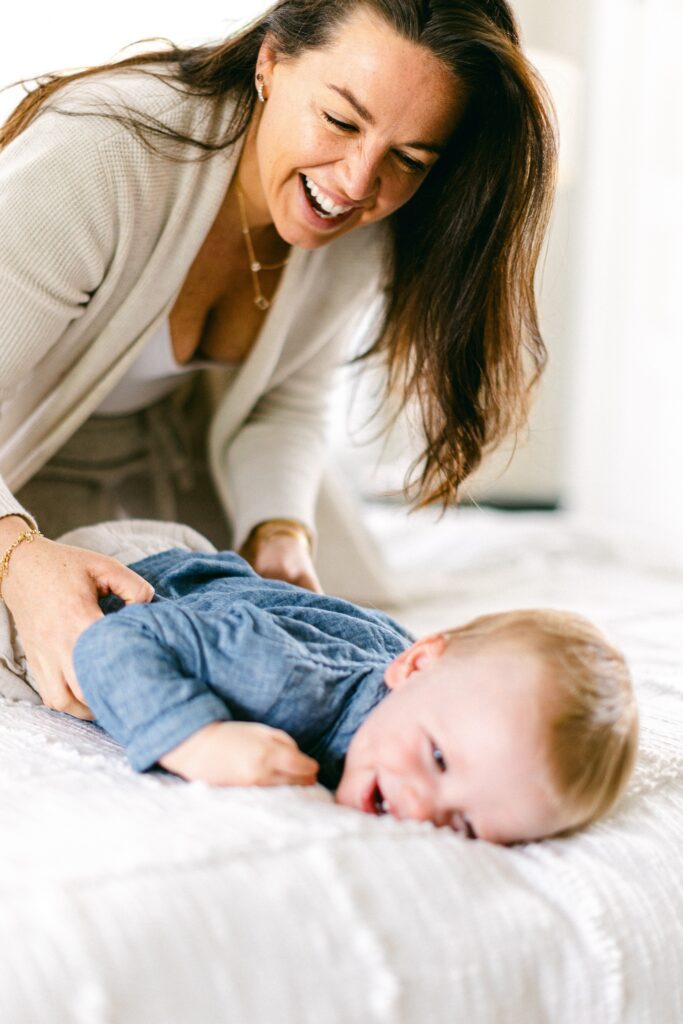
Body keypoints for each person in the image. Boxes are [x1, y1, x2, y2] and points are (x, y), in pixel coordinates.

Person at [0, 1, 556, 721]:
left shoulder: (365, 228)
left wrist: (278, 534)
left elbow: (284, 401)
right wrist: (18, 559)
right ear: (269, 63)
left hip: (154, 471)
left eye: (409, 158)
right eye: (341, 121)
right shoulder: (105, 151)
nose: (358, 182)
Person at [65, 545, 638, 846]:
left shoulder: (434, 694)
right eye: (437, 758)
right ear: (414, 664)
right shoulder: (283, 680)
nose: (421, 810)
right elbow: (109, 642)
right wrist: (195, 741)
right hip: (123, 571)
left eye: (462, 824)